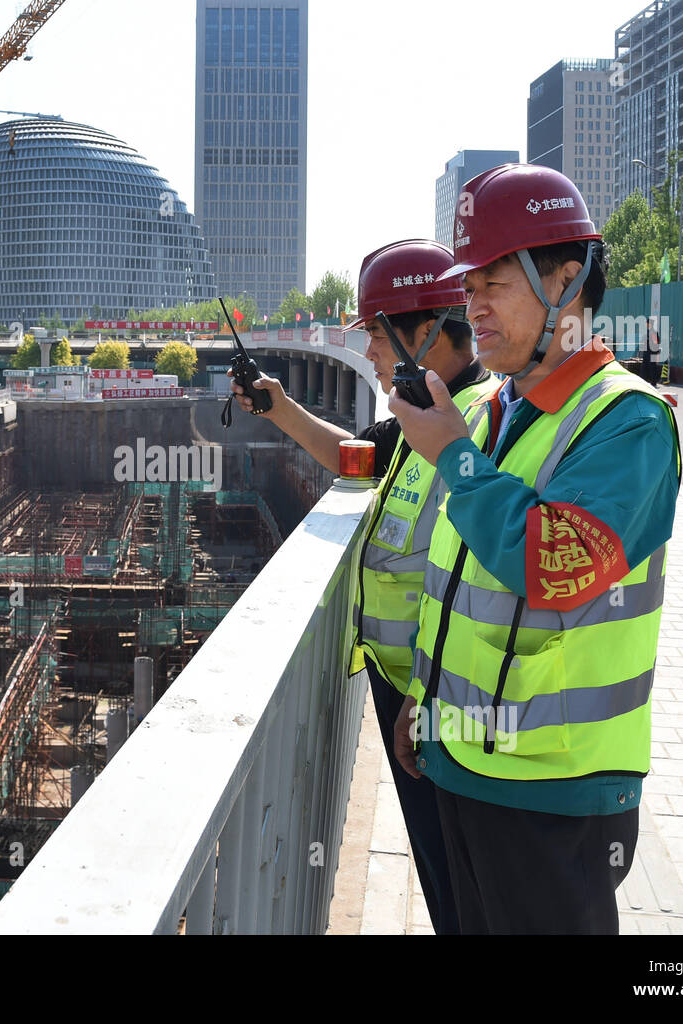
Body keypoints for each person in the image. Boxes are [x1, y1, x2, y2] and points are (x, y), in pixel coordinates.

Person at [386, 164, 682, 934]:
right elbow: (451, 584)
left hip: (554, 791)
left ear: (568, 279)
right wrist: (426, 704)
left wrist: (452, 456)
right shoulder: (488, 409)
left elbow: (553, 567)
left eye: (495, 282)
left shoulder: (628, 423)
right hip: (462, 762)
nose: (472, 306)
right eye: (468, 285)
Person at [231, 239, 500, 934]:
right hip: (404, 688)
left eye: (378, 335)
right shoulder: (420, 416)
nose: (371, 353)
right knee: (445, 880)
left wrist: (435, 692)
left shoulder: (477, 423)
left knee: (469, 883)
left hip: (440, 703)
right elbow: (352, 456)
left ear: (429, 333)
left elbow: (488, 577)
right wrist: (279, 407)